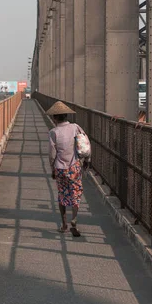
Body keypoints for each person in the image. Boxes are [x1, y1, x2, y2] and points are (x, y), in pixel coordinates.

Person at [47, 101, 91, 236]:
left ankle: (64, 224)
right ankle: (74, 219)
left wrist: (53, 169)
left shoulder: (53, 132)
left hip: (60, 168)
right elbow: (85, 142)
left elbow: (52, 154)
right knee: (75, 193)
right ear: (66, 116)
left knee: (62, 195)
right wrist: (87, 159)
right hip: (74, 167)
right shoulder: (75, 127)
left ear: (55, 117)